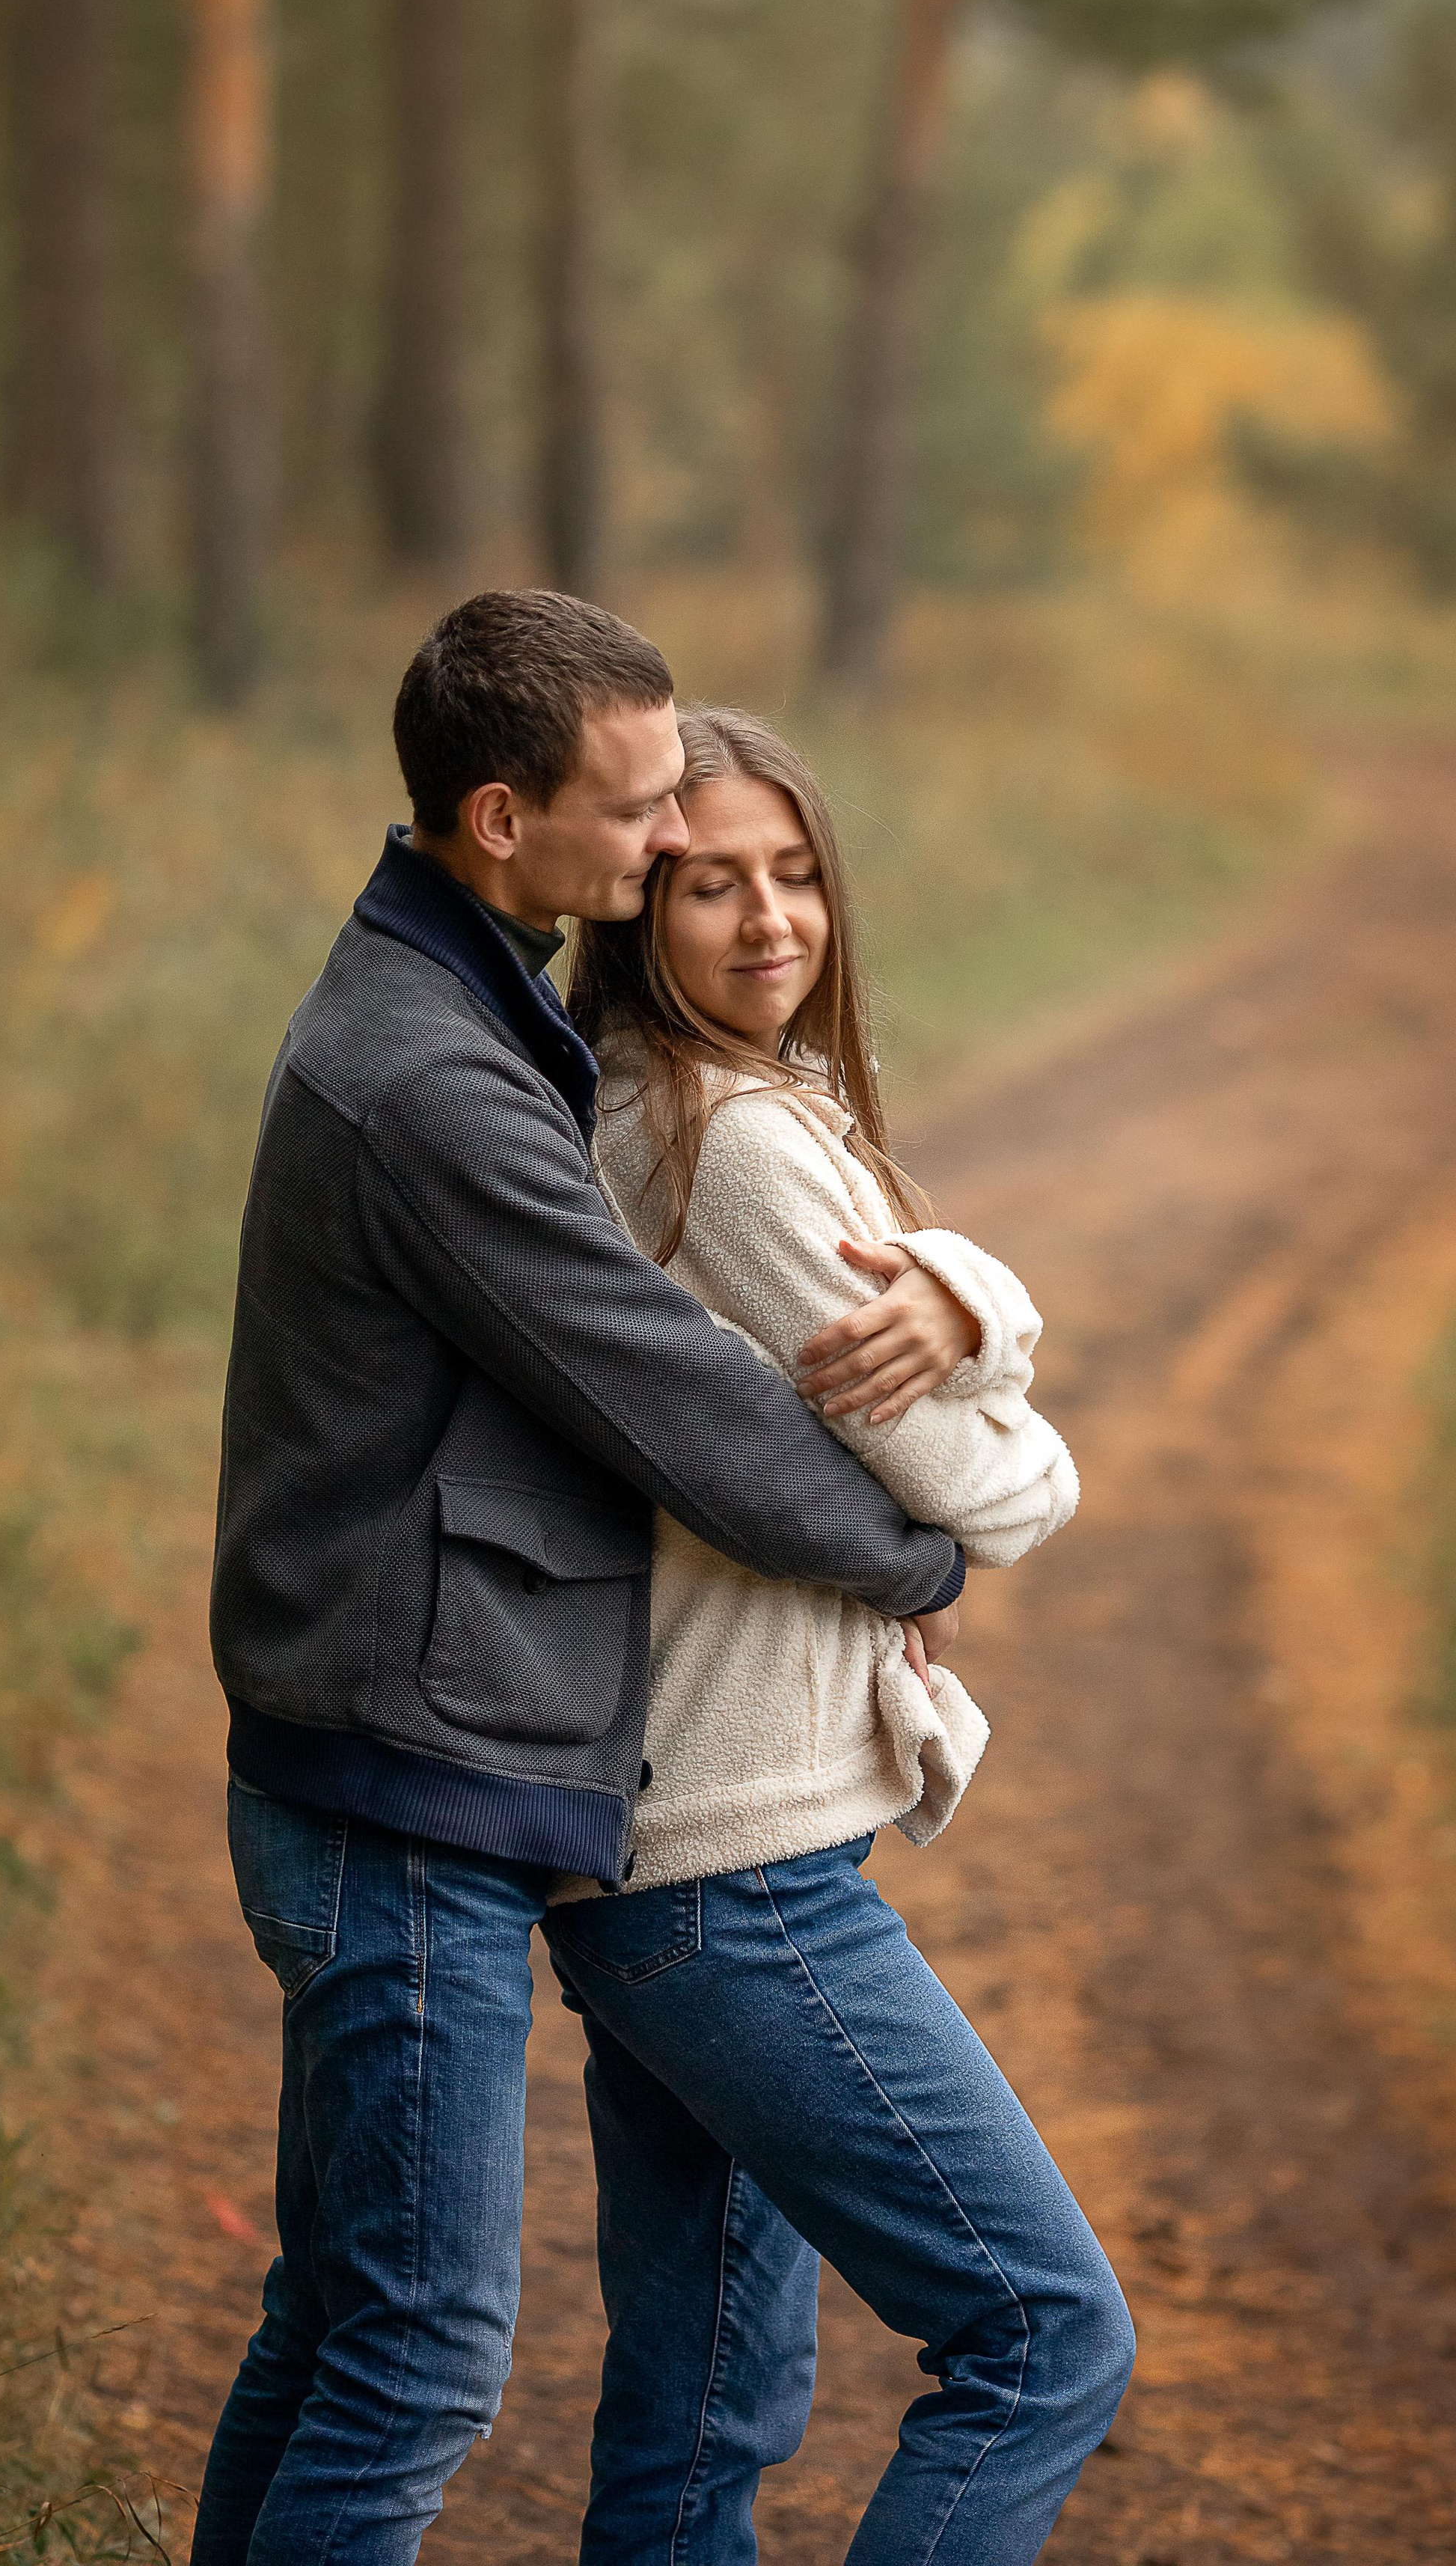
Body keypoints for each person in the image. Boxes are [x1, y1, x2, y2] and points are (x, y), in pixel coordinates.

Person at [193, 594, 981, 2566]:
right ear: (495, 815)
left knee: (338, 2328)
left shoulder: (458, 987)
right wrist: (914, 1546)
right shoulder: (434, 1078)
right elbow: (674, 1396)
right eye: (633, 813)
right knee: (423, 2359)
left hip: (379, 1755)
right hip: (398, 1786)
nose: (660, 850)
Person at [547, 704, 1134, 2565]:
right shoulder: (731, 1145)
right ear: (639, 908)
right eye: (708, 883)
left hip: (657, 1855)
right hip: (738, 1876)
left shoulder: (694, 1102)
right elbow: (1006, 1500)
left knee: (700, 2410)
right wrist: (987, 1360)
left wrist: (971, 1300)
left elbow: (929, 1420)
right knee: (1042, 2337)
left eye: (792, 873)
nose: (767, 921)